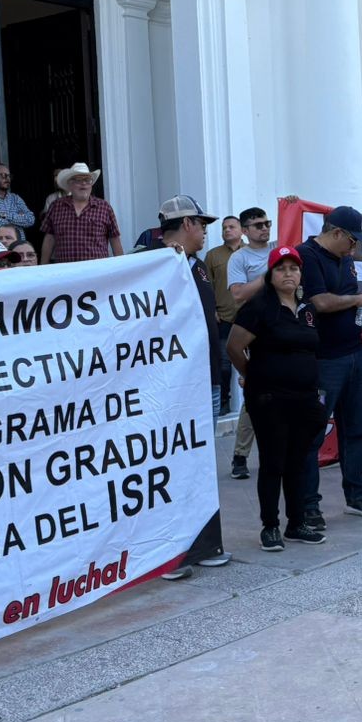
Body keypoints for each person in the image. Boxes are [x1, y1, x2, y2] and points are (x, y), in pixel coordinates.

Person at [226, 246, 326, 548]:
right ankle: (270, 526)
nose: (288, 274)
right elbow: (233, 347)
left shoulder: (307, 311)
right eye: (281, 268)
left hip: (304, 399)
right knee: (273, 462)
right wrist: (254, 376)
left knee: (297, 462)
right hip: (270, 399)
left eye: (293, 268)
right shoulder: (259, 308)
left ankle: (297, 523)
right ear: (270, 275)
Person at [154, 196, 231, 577]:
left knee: (200, 465)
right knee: (176, 465)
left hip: (207, 376)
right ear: (186, 224)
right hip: (176, 384)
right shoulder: (152, 265)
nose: (205, 231)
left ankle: (203, 545)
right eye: (201, 224)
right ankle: (171, 552)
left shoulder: (197, 266)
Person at [299, 206, 362, 528]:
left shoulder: (346, 260)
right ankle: (309, 505)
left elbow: (352, 295)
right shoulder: (305, 256)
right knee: (313, 435)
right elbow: (319, 302)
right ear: (336, 233)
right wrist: (357, 302)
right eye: (352, 241)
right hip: (323, 359)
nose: (354, 248)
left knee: (355, 430)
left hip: (354, 354)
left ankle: (356, 496)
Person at [223, 208, 274, 480]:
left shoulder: (280, 247)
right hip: (255, 330)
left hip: (284, 326)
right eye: (257, 225)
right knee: (256, 393)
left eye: (267, 223)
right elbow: (238, 295)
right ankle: (241, 455)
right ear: (245, 230)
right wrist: (269, 277)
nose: (264, 229)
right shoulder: (239, 258)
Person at [40, 163, 123, 264]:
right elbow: (49, 239)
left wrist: (121, 268)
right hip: (65, 273)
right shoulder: (56, 206)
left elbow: (115, 239)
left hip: (97, 273)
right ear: (70, 184)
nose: (84, 183)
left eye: (87, 180)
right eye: (79, 180)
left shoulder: (104, 207)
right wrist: (42, 267)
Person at [206, 216, 244, 417]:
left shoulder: (252, 252)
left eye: (231, 227)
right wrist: (212, 311)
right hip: (224, 318)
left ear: (242, 230)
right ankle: (223, 403)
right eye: (224, 227)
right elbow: (207, 287)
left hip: (250, 318)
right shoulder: (213, 256)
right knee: (223, 364)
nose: (227, 230)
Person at [0, 163, 34, 234]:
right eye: (3, 175)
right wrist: (18, 218)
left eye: (9, 176)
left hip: (18, 244)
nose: (7, 179)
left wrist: (5, 215)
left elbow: (30, 219)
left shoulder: (15, 198)